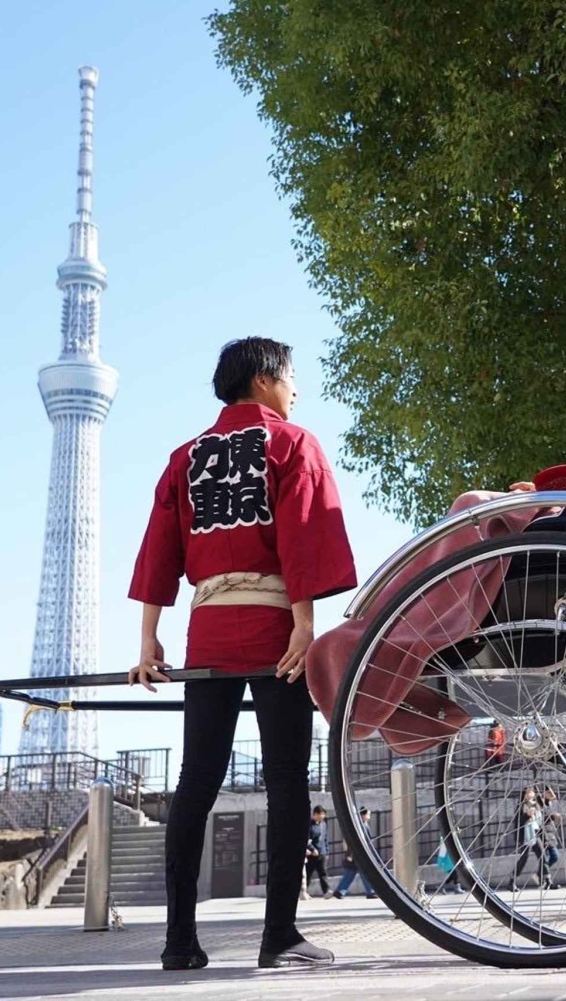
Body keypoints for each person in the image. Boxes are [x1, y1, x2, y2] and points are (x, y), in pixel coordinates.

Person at [306, 308, 566, 755]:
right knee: (482, 508)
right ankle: (408, 620)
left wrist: (550, 494)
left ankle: (394, 625)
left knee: (472, 506)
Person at [127, 337, 357, 971]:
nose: (296, 390)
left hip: (207, 629)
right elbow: (303, 534)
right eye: (291, 378)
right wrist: (304, 625)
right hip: (275, 628)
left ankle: (179, 942)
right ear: (263, 379)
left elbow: (158, 549)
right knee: (286, 778)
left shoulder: (185, 457)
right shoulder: (291, 443)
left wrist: (148, 639)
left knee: (196, 780)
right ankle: (279, 936)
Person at [331, 806, 377, 899]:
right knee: (364, 873)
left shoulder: (361, 825)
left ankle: (340, 891)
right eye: (368, 814)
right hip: (359, 854)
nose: (369, 817)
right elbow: (356, 841)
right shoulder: (361, 826)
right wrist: (351, 854)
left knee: (351, 873)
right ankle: (370, 891)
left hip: (357, 854)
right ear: (363, 815)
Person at [305, 806, 331, 897]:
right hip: (311, 854)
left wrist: (327, 851)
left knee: (323, 872)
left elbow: (325, 838)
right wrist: (312, 849)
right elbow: (306, 840)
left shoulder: (323, 824)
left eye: (323, 815)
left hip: (322, 853)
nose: (322, 817)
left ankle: (326, 891)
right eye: (321, 814)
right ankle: (304, 892)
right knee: (308, 874)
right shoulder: (309, 825)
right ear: (315, 814)